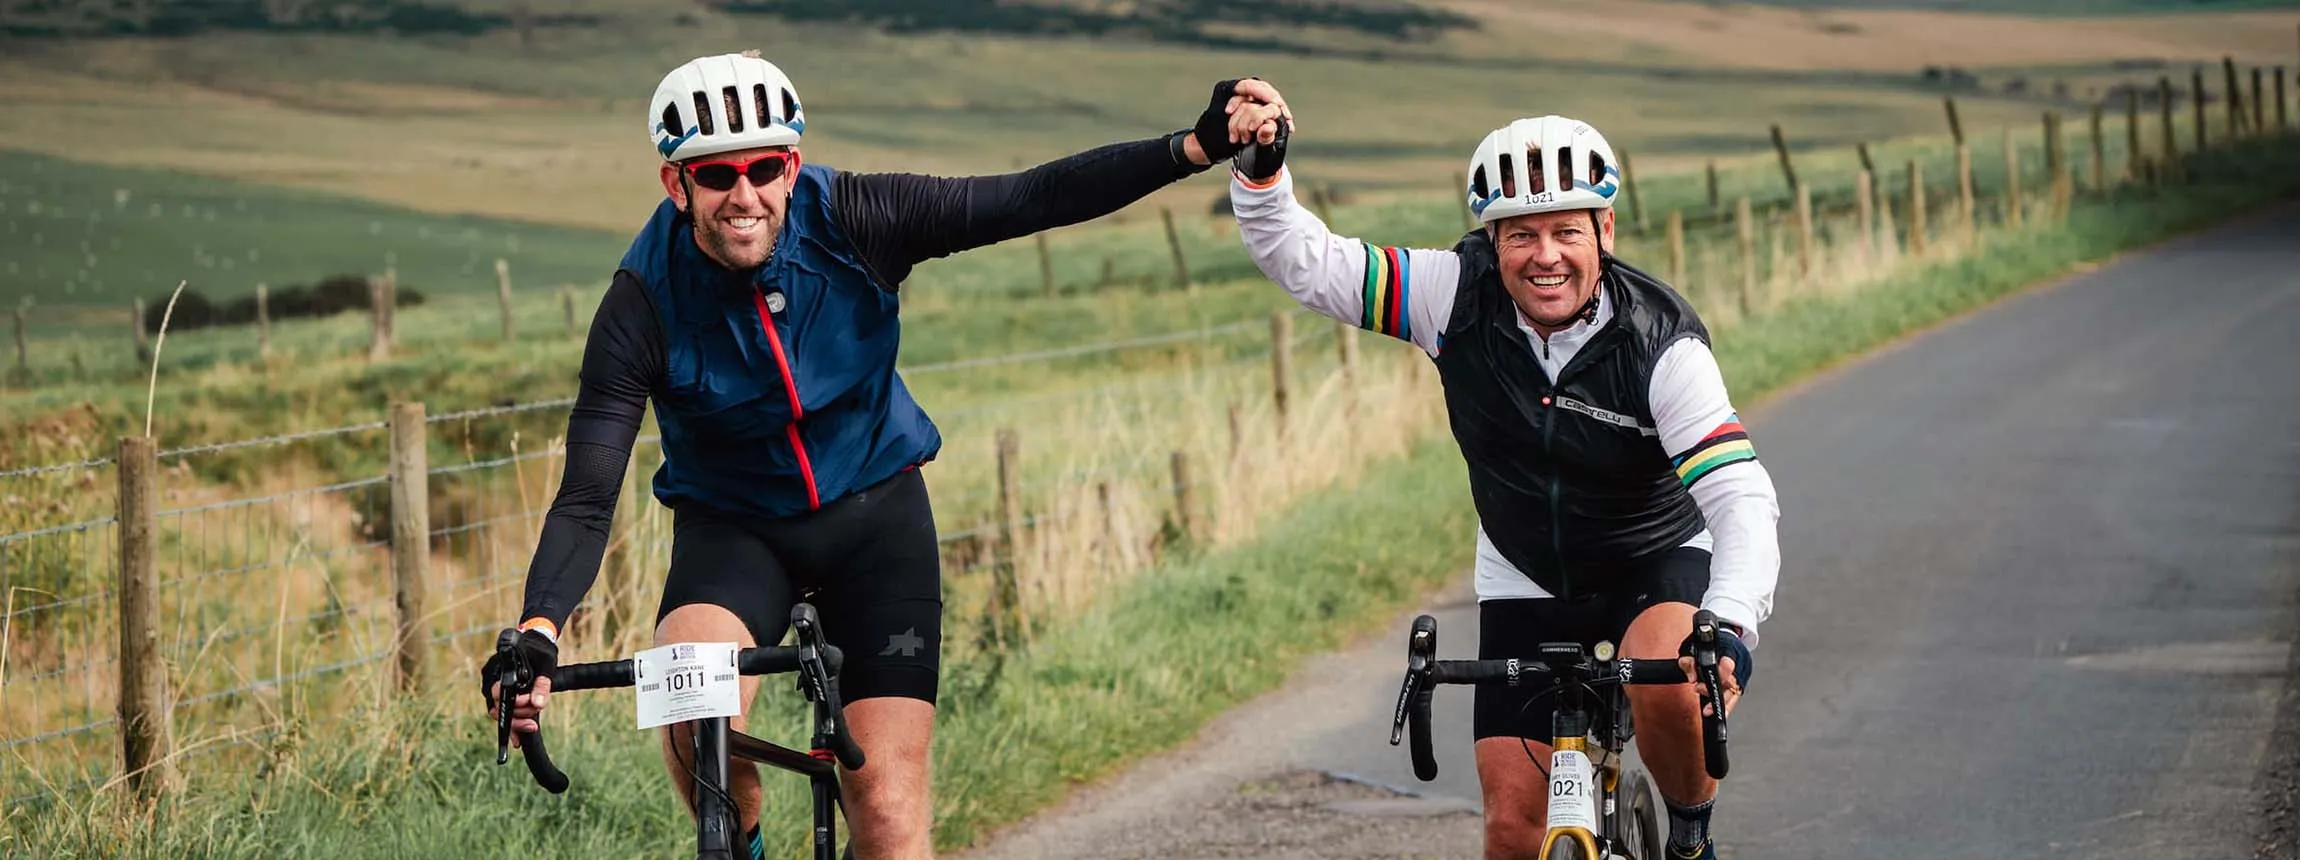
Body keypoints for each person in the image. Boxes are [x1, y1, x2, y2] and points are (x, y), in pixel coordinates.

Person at [479, 51, 1293, 860]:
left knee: (889, 808)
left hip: (877, 518)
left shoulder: (855, 217)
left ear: (791, 165)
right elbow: (587, 495)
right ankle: (740, 846)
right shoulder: (640, 303)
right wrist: (538, 631)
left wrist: (1191, 148)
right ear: (676, 185)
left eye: (764, 168)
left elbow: (1028, 198)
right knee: (699, 728)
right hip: (733, 533)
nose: (745, 196)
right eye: (718, 175)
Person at [1225, 114, 1780, 859]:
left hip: (1652, 555)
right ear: (1493, 241)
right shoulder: (1451, 296)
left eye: (1566, 232)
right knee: (1514, 831)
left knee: (1670, 688)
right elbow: (1310, 263)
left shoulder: (1661, 345)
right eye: (1520, 234)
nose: (1544, 256)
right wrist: (1262, 178)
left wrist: (1732, 626)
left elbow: (1739, 495)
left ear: (1605, 231)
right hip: (1527, 565)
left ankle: (1688, 841)